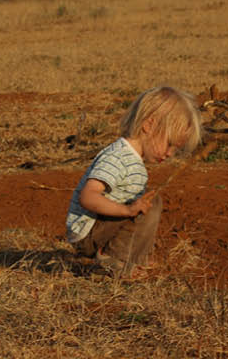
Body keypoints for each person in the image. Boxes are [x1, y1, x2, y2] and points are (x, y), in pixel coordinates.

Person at [66, 85, 203, 276]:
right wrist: (127, 210)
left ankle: (132, 258)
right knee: (149, 204)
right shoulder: (118, 157)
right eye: (169, 144)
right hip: (88, 234)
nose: (170, 153)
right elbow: (88, 197)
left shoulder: (133, 160)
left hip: (100, 228)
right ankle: (113, 261)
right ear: (148, 125)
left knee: (147, 202)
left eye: (176, 149)